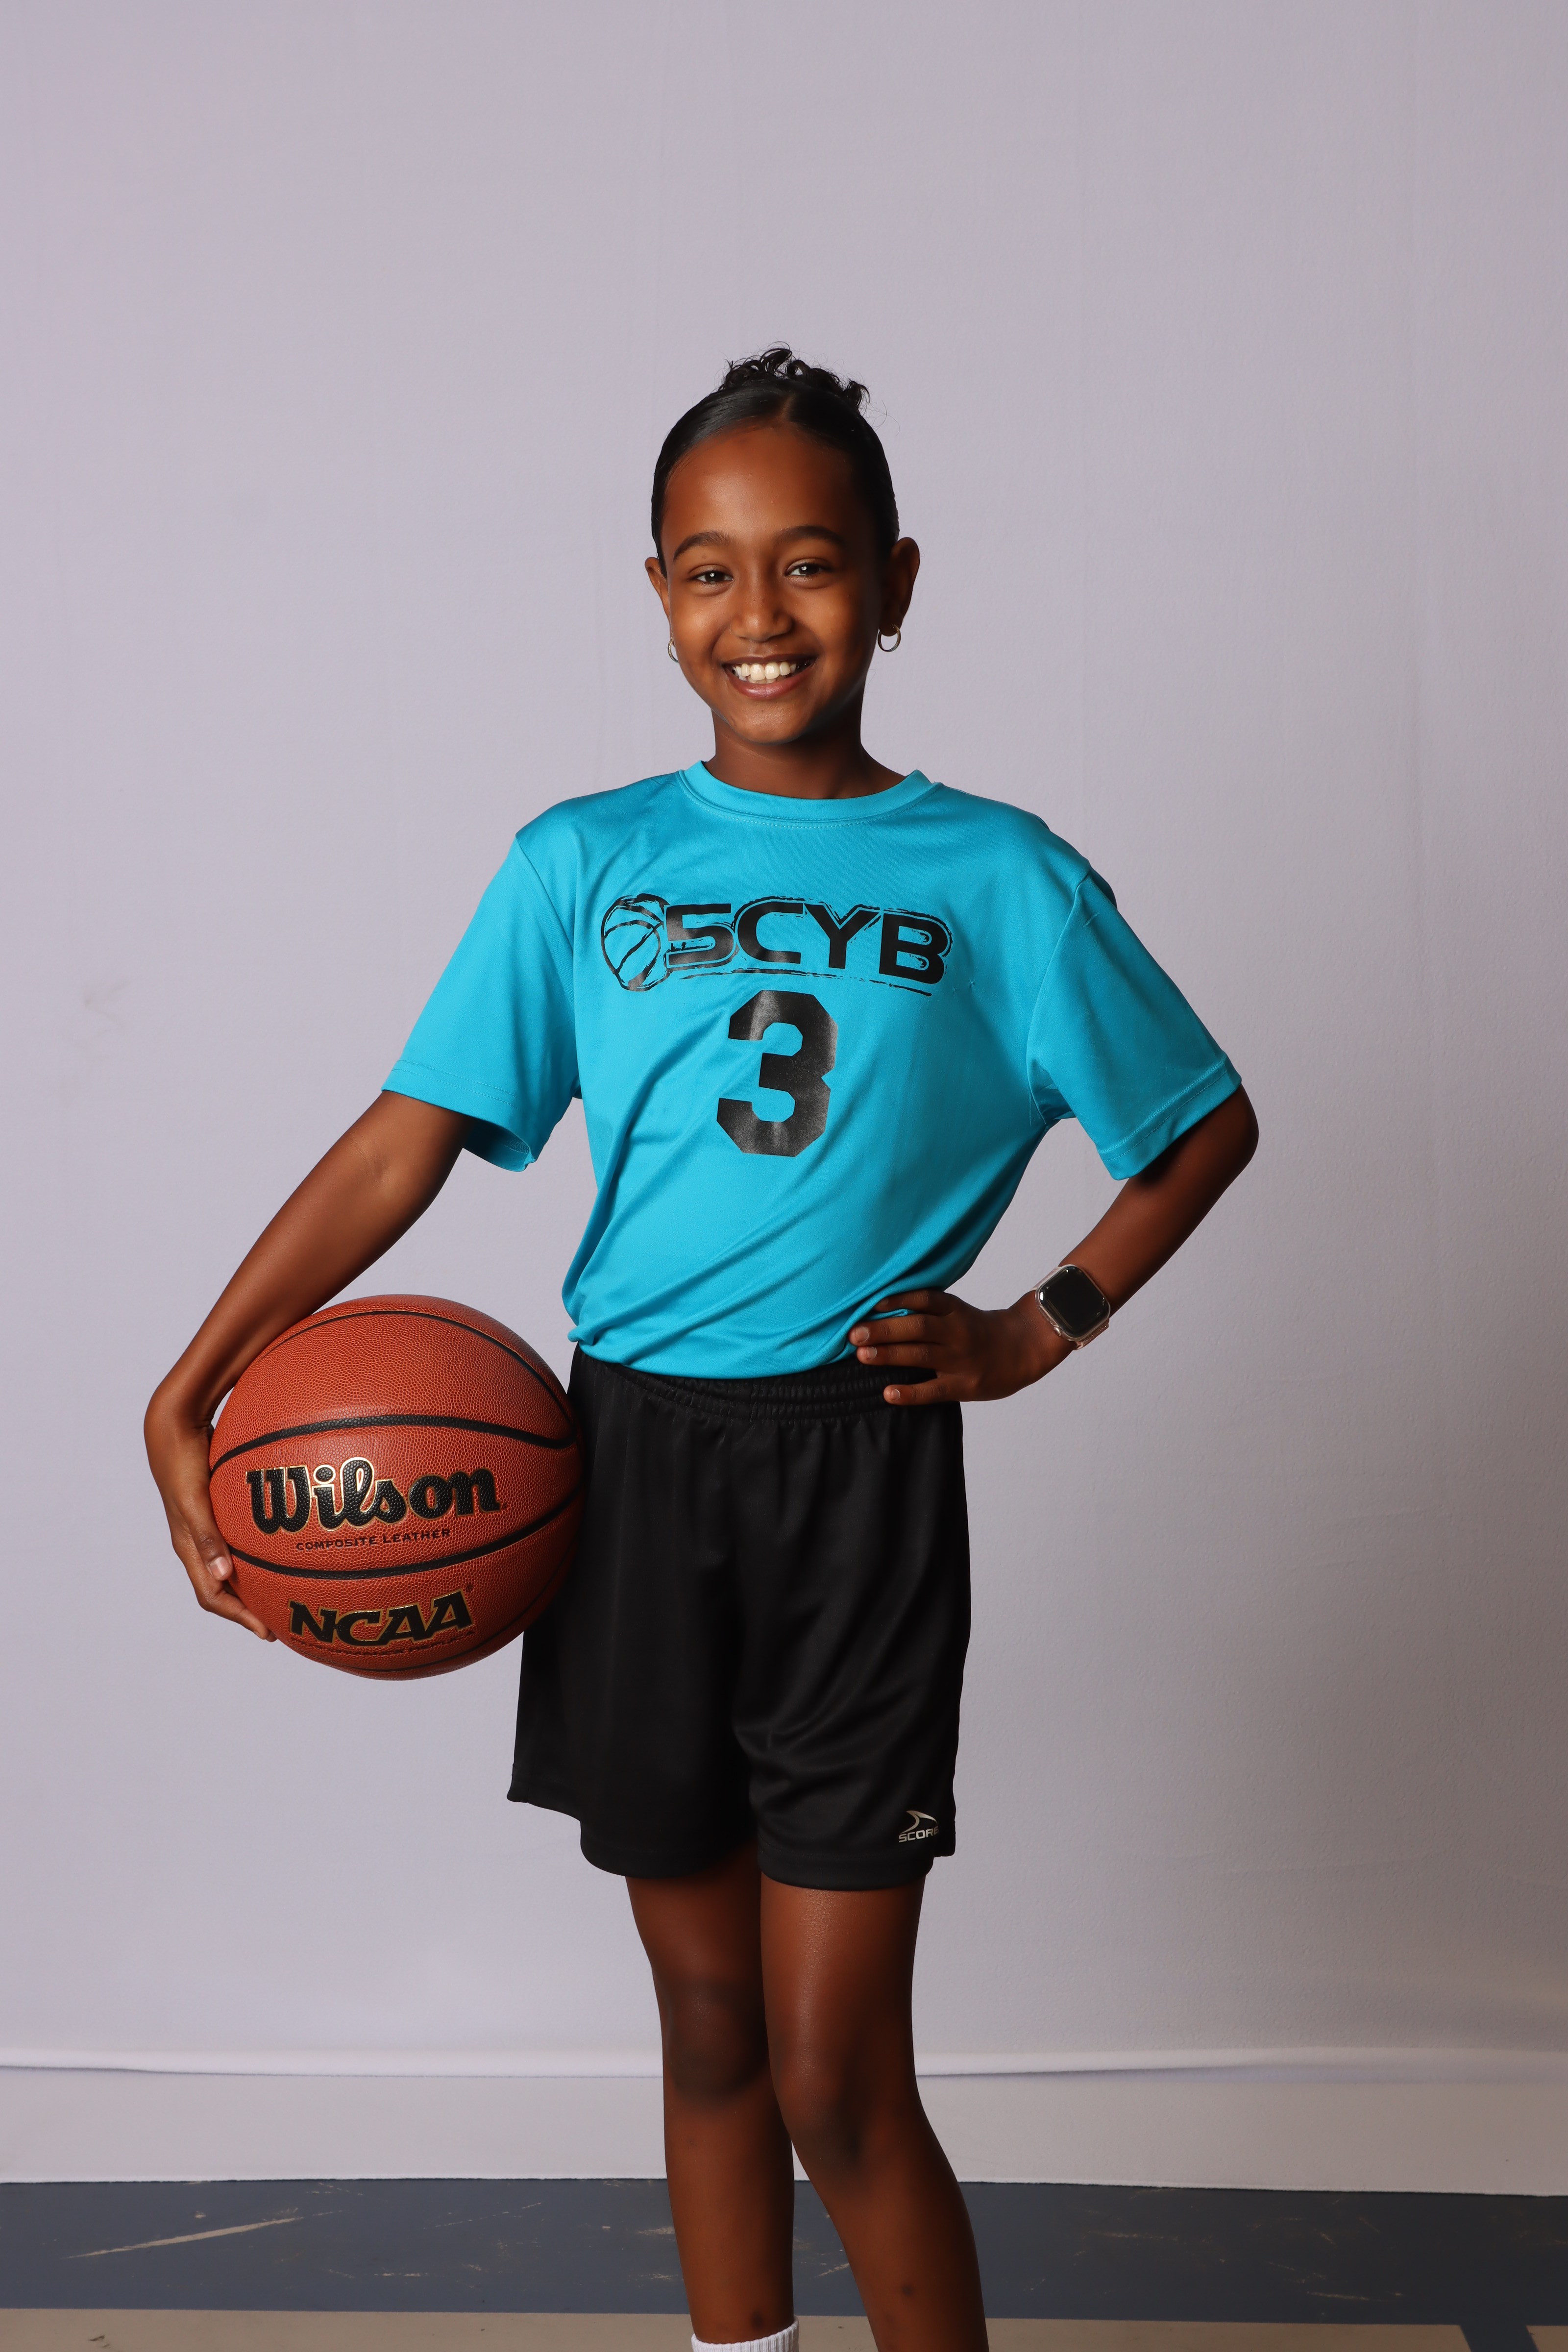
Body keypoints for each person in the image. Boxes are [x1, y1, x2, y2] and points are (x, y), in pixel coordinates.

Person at [146, 348, 1257, 2352]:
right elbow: (406, 1138)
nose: (760, 613)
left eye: (810, 563)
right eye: (708, 569)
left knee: (840, 2071)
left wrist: (1038, 1327)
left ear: (894, 583)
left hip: (857, 1480)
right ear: (655, 591)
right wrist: (194, 1375)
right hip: (630, 1468)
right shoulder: (581, 863)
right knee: (713, 2028)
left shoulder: (999, 875)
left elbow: (1197, 1127)